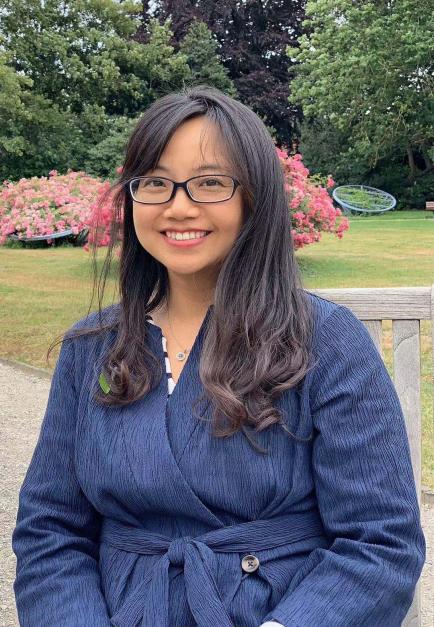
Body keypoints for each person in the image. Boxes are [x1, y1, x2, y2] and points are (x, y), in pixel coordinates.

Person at [12, 85, 425, 627]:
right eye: (155, 182)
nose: (178, 206)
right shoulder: (91, 348)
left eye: (210, 182)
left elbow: (380, 542)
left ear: (254, 196)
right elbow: (50, 532)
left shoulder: (326, 342)